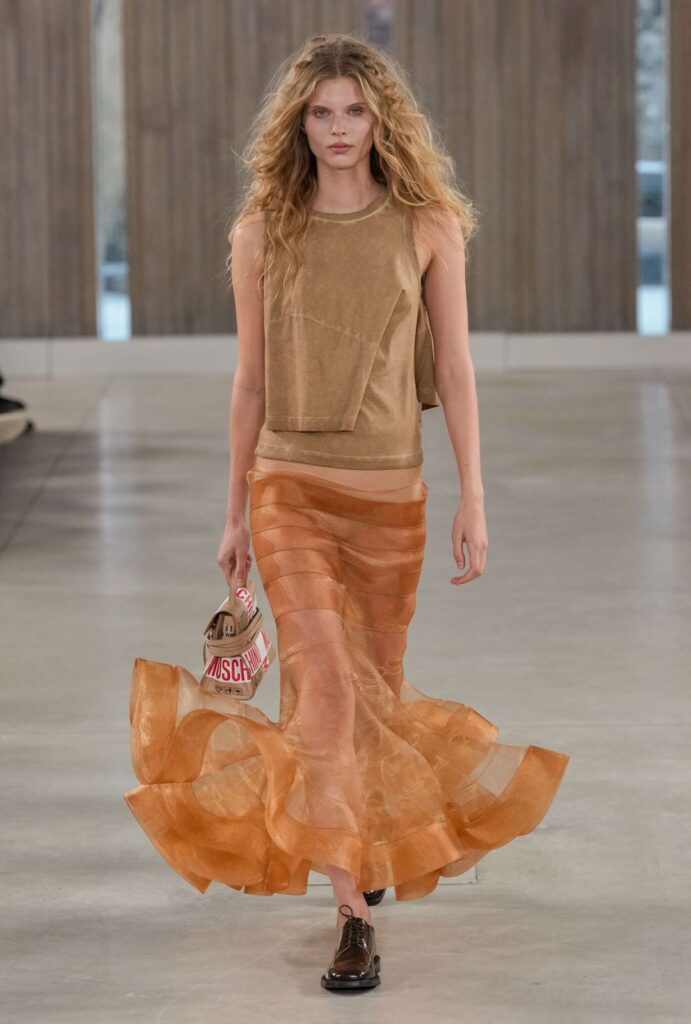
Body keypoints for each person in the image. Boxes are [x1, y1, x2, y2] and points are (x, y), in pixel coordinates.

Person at [124, 32, 570, 995]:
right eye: (320, 113)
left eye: (353, 112)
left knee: (374, 695)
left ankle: (356, 846)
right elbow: (249, 383)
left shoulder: (427, 226)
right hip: (287, 487)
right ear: (298, 124)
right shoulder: (261, 233)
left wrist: (473, 494)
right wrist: (234, 513)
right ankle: (350, 916)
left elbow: (455, 368)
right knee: (324, 691)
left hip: (389, 496)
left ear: (380, 121)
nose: (336, 129)